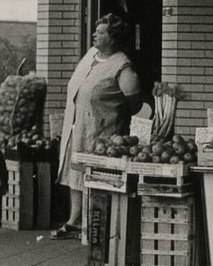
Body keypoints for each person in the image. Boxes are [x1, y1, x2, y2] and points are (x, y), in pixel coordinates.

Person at [51, 14, 144, 239]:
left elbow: (135, 101)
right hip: (79, 123)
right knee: (75, 171)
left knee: (96, 173)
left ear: (112, 38)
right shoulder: (91, 56)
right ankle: (75, 219)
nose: (95, 35)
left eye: (101, 32)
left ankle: (93, 222)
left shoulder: (122, 65)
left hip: (103, 128)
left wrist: (115, 116)